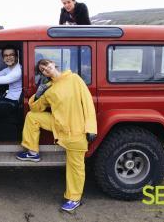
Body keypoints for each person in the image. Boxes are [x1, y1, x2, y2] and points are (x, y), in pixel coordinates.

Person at [16, 59, 97, 212]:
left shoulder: (74, 79)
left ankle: (74, 198)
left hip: (76, 130)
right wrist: (38, 94)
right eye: (42, 69)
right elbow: (35, 109)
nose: (45, 69)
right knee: (32, 117)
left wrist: (91, 128)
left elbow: (87, 103)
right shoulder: (49, 89)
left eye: (46, 65)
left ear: (53, 64)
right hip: (58, 126)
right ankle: (32, 152)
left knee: (75, 167)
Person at [0, 46, 22, 116]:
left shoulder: (17, 71)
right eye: (5, 55)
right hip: (9, 97)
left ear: (16, 57)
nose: (8, 57)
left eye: (11, 55)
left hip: (14, 103)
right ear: (3, 58)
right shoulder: (10, 68)